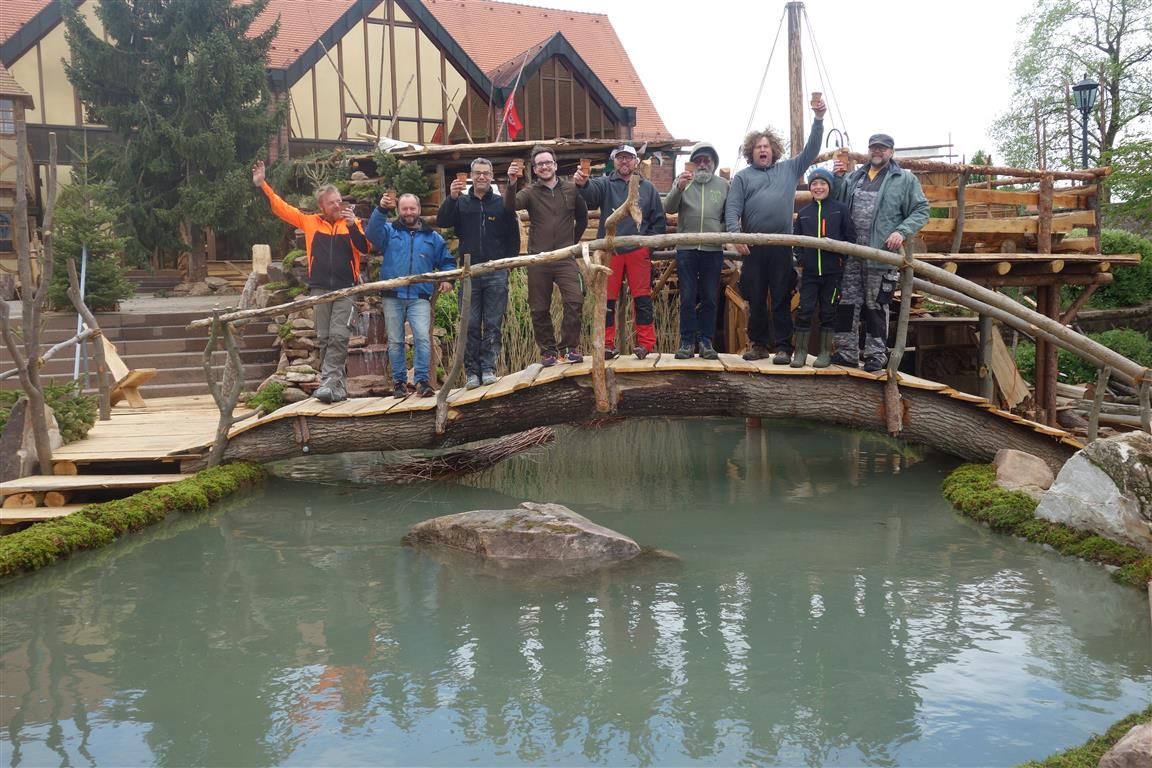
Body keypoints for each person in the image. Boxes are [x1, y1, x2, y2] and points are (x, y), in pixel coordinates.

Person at [252, 159, 366, 403]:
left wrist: (352, 227)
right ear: (321, 206)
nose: (337, 205)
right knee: (324, 337)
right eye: (331, 202)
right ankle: (336, 387)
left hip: (346, 289)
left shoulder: (352, 223)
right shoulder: (310, 222)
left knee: (339, 336)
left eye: (339, 201)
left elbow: (365, 248)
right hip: (320, 288)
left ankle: (328, 382)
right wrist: (263, 185)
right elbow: (282, 208)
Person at [725, 98, 826, 364]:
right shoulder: (743, 177)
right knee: (756, 298)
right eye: (758, 147)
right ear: (751, 152)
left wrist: (818, 120)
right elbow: (732, 209)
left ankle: (783, 347)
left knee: (781, 297)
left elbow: (811, 150)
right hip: (753, 248)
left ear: (774, 150)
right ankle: (758, 344)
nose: (762, 150)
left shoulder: (789, 169)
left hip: (781, 246)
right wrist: (736, 236)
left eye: (766, 146)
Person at [831, 133, 929, 372]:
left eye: (882, 148)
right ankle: (847, 352)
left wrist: (901, 232)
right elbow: (837, 202)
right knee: (847, 304)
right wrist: (837, 179)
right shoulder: (855, 177)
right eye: (873, 147)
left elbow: (921, 210)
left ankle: (875, 355)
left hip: (882, 254)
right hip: (851, 253)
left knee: (876, 305)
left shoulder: (904, 179)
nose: (877, 151)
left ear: (891, 152)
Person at [574, 144, 667, 359]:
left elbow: (658, 221)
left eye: (628, 158)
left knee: (642, 300)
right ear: (614, 161)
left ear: (636, 162)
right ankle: (607, 344)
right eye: (620, 158)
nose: (624, 161)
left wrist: (648, 246)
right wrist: (583, 183)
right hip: (610, 251)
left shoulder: (648, 188)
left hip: (638, 250)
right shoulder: (604, 183)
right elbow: (590, 196)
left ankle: (646, 344)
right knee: (607, 300)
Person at [436, 158, 520, 389]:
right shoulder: (461, 202)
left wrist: (508, 264)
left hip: (495, 271)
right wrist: (451, 198)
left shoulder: (501, 203)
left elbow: (513, 235)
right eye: (477, 173)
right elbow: (443, 221)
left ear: (491, 176)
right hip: (469, 273)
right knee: (470, 323)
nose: (481, 176)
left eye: (485, 173)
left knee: (493, 323)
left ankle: (489, 368)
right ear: (471, 176)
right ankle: (472, 372)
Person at [366, 192, 455, 398]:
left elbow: (447, 262)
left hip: (419, 296)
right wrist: (381, 209)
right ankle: (399, 383)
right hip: (392, 295)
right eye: (404, 209)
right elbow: (371, 233)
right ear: (398, 210)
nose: (408, 212)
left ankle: (422, 381)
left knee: (422, 338)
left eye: (412, 208)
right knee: (395, 341)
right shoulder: (389, 231)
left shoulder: (433, 237)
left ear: (419, 210)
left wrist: (448, 279)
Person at [505, 147, 589, 366]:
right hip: (539, 259)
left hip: (565, 257)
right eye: (540, 164)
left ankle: (569, 349)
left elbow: (583, 218)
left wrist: (572, 243)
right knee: (539, 307)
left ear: (555, 165)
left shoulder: (571, 189)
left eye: (548, 162)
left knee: (575, 299)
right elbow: (510, 207)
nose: (544, 166)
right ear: (534, 169)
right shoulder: (530, 192)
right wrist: (512, 182)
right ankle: (548, 352)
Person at [663, 141, 729, 359]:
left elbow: (729, 215)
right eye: (698, 160)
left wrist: (719, 231)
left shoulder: (723, 185)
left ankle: (706, 342)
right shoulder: (683, 182)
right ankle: (686, 342)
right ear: (692, 163)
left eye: (706, 160)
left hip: (713, 249)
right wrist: (678, 188)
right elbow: (669, 208)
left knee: (710, 297)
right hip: (686, 249)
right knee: (688, 297)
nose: (702, 164)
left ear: (713, 163)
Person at [790, 167, 856, 368]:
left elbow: (850, 237)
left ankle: (825, 352)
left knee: (829, 311)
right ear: (810, 188)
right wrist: (802, 259)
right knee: (804, 310)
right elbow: (797, 241)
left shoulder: (840, 210)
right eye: (814, 184)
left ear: (829, 186)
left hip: (832, 272)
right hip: (810, 273)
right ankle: (800, 352)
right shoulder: (804, 214)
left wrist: (841, 258)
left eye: (823, 184)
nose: (818, 187)